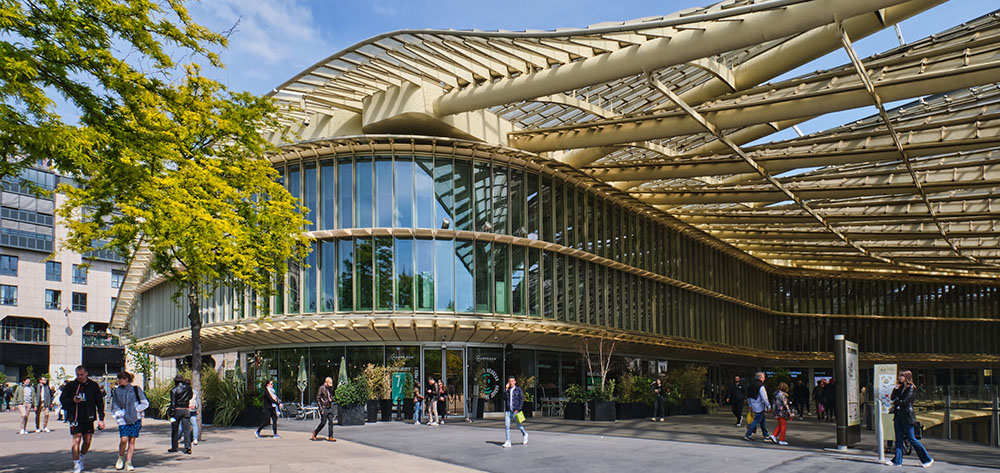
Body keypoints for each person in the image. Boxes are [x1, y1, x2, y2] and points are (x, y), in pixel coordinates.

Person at [61, 365, 106, 473]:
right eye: (78, 375)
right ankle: (76, 463)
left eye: (81, 374)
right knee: (76, 439)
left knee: (87, 440)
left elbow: (99, 401)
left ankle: (81, 456)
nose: (79, 377)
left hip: (88, 416)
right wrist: (72, 400)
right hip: (75, 416)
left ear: (86, 373)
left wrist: (101, 418)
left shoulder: (93, 386)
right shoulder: (71, 385)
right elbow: (62, 399)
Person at [888, 370, 933, 468]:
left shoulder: (911, 388)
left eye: (901, 376)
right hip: (898, 415)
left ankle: (927, 459)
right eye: (899, 376)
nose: (899, 378)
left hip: (907, 416)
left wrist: (897, 402)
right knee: (898, 438)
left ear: (907, 377)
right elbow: (892, 398)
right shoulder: (900, 388)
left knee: (911, 438)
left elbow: (904, 401)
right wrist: (895, 389)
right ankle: (897, 460)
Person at [111, 371, 148, 471]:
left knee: (132, 440)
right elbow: (114, 404)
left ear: (126, 379)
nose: (118, 381)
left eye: (120, 379)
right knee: (124, 439)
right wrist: (119, 413)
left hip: (135, 418)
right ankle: (120, 457)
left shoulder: (135, 389)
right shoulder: (117, 391)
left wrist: (137, 409)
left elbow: (145, 402)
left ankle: (129, 461)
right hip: (123, 419)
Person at [743, 372, 774, 443]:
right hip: (759, 405)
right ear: (761, 378)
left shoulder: (751, 385)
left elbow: (748, 397)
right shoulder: (761, 386)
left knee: (762, 420)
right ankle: (748, 434)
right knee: (756, 420)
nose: (764, 379)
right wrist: (768, 405)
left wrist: (750, 405)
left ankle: (766, 435)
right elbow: (764, 397)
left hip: (753, 405)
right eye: (763, 377)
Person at [167, 375, 193, 454]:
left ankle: (174, 447)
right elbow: (190, 397)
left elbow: (173, 403)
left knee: (175, 429)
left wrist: (171, 414)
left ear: (176, 381)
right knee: (186, 430)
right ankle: (188, 446)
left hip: (177, 410)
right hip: (186, 409)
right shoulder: (189, 388)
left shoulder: (174, 390)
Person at [502, 376, 528, 448]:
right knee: (507, 426)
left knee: (518, 425)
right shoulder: (508, 390)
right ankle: (508, 441)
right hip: (508, 411)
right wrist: (506, 389)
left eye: (512, 381)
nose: (511, 383)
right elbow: (504, 398)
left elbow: (521, 400)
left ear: (515, 382)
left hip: (515, 411)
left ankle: (525, 434)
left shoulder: (518, 390)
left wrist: (518, 409)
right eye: (510, 381)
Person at [312, 377, 336, 442]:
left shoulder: (329, 389)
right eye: (329, 384)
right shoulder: (321, 388)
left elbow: (329, 396)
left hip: (329, 406)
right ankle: (315, 432)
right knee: (323, 422)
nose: (330, 385)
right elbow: (318, 398)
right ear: (326, 383)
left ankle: (330, 436)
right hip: (324, 407)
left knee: (331, 422)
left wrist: (331, 399)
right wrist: (321, 408)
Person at [187, 380, 200, 445]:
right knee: (194, 424)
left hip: (186, 410)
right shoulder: (194, 392)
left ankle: (178, 438)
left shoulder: (183, 391)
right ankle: (195, 439)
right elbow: (197, 402)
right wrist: (196, 407)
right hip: (193, 410)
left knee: (181, 425)